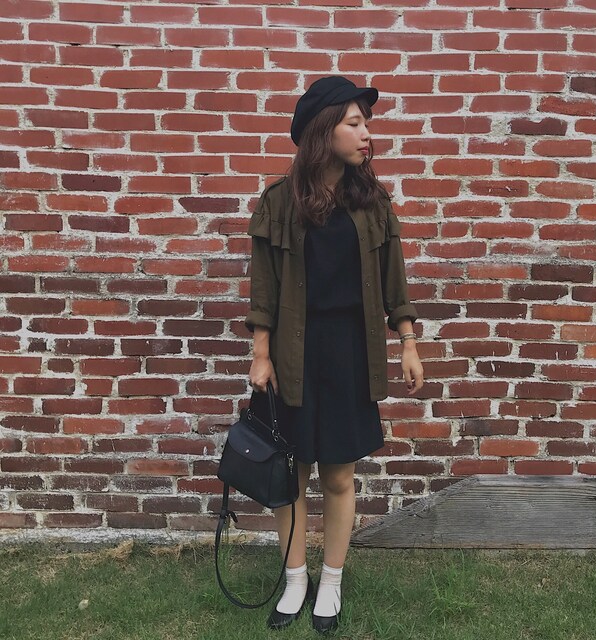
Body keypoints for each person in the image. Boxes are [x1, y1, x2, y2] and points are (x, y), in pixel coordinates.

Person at [245, 76, 424, 634]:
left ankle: (331, 582)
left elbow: (393, 279)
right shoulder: (278, 202)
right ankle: (295, 579)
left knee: (339, 477)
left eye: (366, 123)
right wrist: (261, 353)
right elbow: (264, 288)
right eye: (354, 123)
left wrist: (408, 340)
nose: (366, 133)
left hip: (350, 352)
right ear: (324, 131)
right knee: (291, 477)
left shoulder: (373, 202)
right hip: (294, 355)